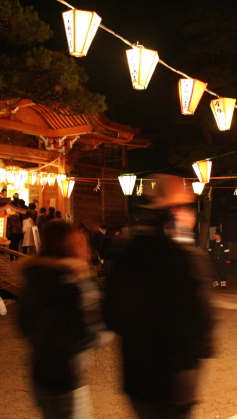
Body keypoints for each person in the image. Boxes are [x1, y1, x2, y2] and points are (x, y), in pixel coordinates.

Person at [104, 174, 215, 418]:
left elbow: (110, 314)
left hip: (137, 376)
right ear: (176, 211)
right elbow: (201, 317)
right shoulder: (185, 258)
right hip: (175, 379)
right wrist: (200, 348)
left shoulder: (129, 254)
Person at [18, 219, 105, 418]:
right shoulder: (74, 285)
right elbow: (90, 330)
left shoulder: (33, 280)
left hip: (40, 374)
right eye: (81, 245)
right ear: (70, 247)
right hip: (67, 377)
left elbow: (23, 325)